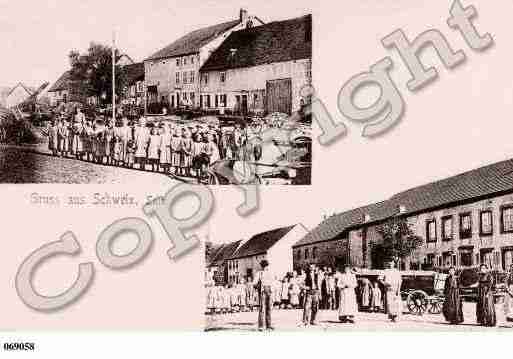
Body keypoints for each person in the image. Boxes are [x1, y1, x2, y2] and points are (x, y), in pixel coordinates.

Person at [254, 259, 274, 331]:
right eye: (264, 266)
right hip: (263, 291)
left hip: (269, 291)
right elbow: (254, 283)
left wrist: (272, 291)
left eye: (266, 266)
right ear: (262, 266)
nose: (265, 267)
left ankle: (269, 325)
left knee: (269, 308)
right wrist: (258, 286)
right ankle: (261, 326)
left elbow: (272, 283)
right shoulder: (259, 273)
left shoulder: (270, 273)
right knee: (262, 309)